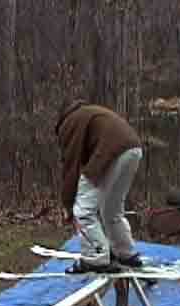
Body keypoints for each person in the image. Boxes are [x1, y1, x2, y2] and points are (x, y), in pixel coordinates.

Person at [55, 99, 143, 274]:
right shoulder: (89, 113)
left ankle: (95, 258)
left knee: (83, 211)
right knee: (112, 208)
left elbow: (71, 166)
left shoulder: (70, 124)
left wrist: (68, 205)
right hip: (134, 149)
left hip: (110, 152)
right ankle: (125, 253)